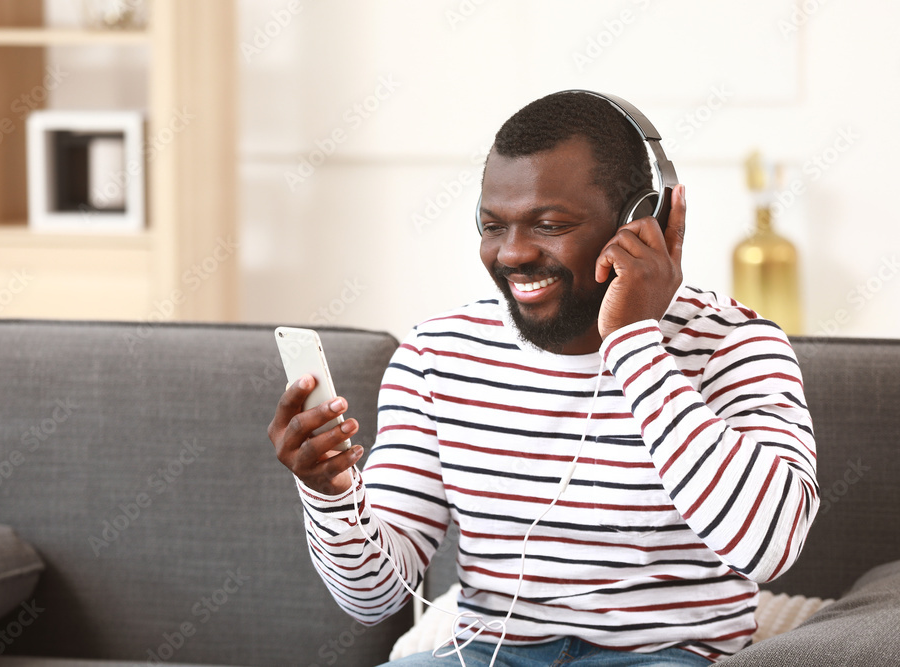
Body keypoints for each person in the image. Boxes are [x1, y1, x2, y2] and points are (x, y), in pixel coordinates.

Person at [267, 91, 818, 666]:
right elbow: (374, 598)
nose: (513, 254)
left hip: (663, 657)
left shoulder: (736, 346)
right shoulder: (436, 356)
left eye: (550, 224)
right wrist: (328, 493)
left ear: (643, 222)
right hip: (488, 655)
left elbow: (771, 548)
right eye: (492, 226)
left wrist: (634, 344)